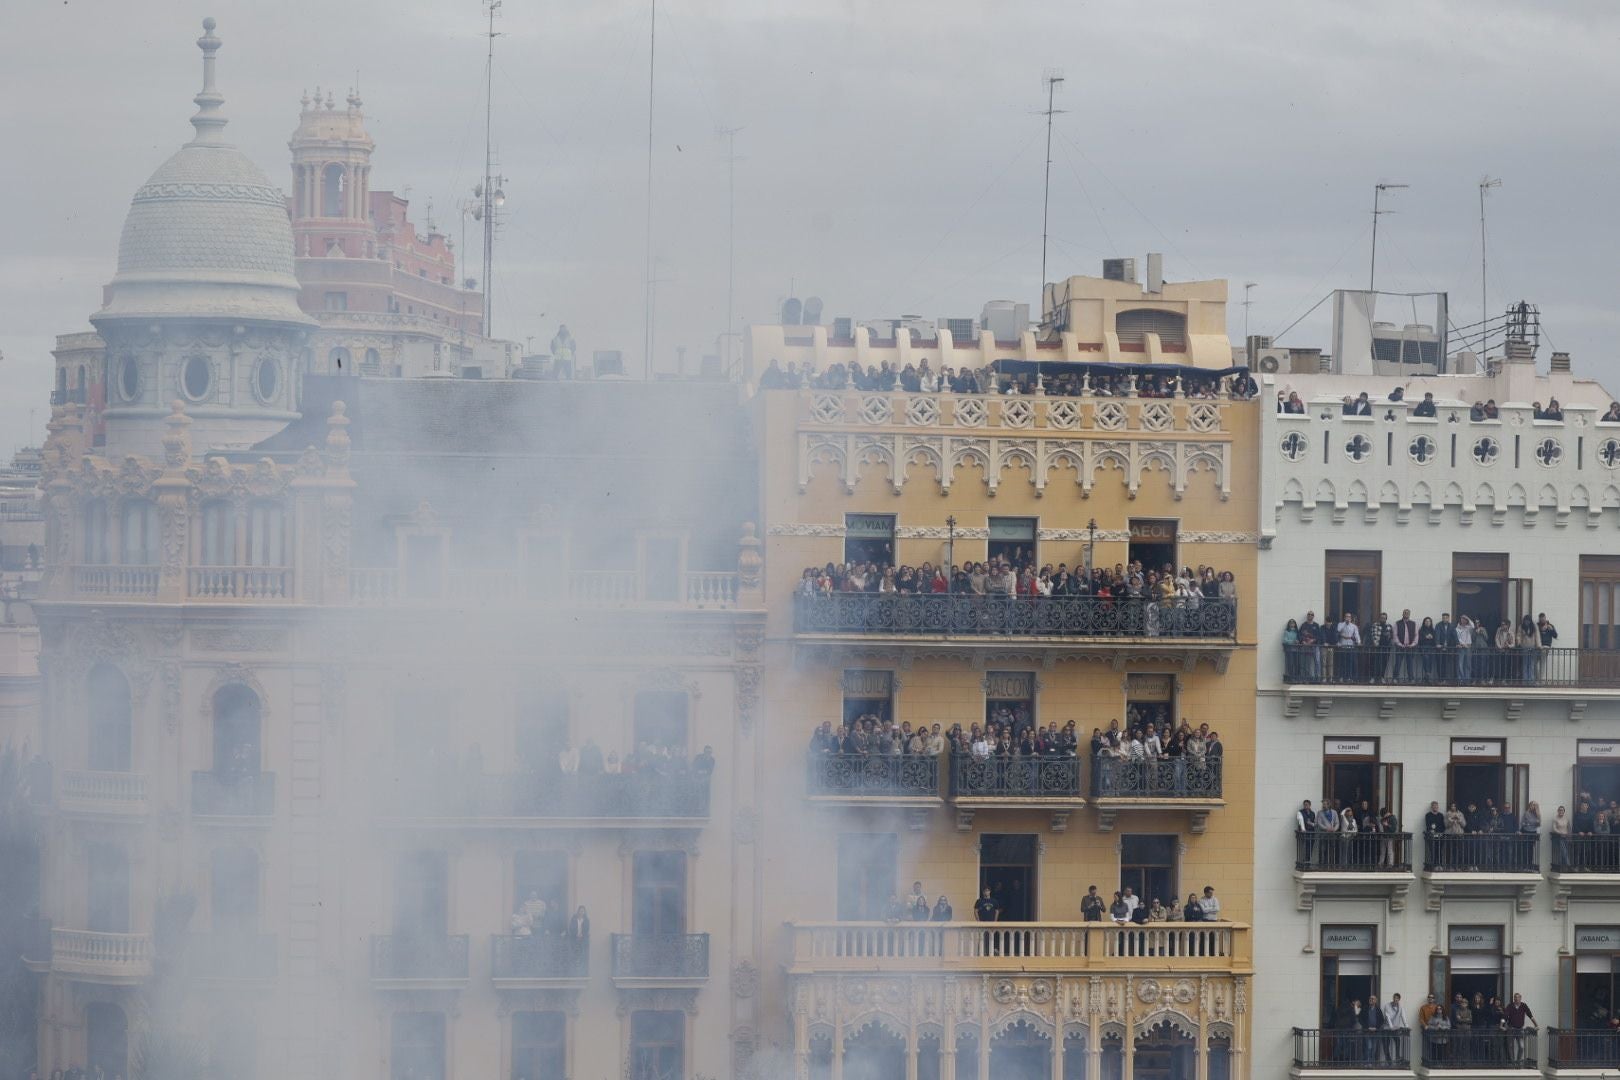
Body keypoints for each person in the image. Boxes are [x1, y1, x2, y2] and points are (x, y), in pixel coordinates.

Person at [1505, 992, 1536, 1065]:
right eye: (1515, 997)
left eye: (1518, 997)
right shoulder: (1510, 1006)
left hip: (1519, 1029)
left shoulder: (1523, 1006)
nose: (1516, 999)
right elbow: (1505, 1016)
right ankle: (1513, 1062)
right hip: (1511, 1029)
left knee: (1521, 1047)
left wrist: (1536, 1025)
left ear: (1520, 998)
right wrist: (1502, 1025)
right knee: (1510, 1046)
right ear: (1514, 998)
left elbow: (1530, 1015)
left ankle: (1518, 1061)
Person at [1296, 799, 1318, 868]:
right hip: (1304, 833)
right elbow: (1301, 821)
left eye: (1307, 805)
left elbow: (1314, 823)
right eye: (1305, 805)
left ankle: (1308, 861)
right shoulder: (1300, 812)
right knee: (1305, 848)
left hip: (1311, 832)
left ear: (1310, 805)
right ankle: (1304, 862)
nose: (1306, 806)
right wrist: (1303, 829)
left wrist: (1311, 824)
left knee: (1310, 848)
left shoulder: (1312, 813)